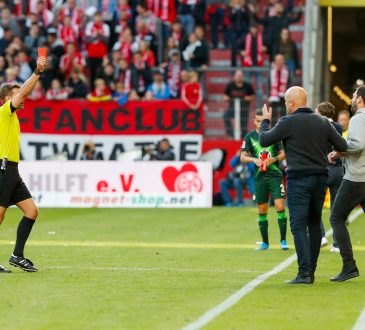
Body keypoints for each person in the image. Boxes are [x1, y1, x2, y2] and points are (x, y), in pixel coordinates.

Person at [259, 86, 347, 284]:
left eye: (285, 102)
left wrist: (265, 121)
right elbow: (342, 145)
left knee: (298, 224)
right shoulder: (323, 122)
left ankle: (305, 273)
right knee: (314, 223)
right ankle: (310, 270)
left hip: (299, 178)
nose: (285, 105)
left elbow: (264, 140)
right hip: (320, 178)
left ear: (292, 102)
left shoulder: (288, 122)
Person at [0, 54, 47, 273]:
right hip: (2, 169)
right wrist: (37, 71)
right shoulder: (5, 112)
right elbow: (26, 90)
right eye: (16, 93)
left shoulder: (12, 117)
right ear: (7, 98)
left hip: (12, 170)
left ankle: (17, 255)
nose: (22, 96)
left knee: (31, 211)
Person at [327, 85, 365, 282]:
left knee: (336, 218)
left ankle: (349, 265)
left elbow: (357, 145)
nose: (351, 99)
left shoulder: (359, 118)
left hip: (357, 177)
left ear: (359, 99)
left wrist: (338, 151)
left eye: (353, 96)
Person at [241, 109, 288, 250]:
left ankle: (283, 241)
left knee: (280, 206)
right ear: (254, 121)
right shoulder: (249, 137)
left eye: (262, 120)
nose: (259, 123)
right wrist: (253, 159)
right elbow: (242, 157)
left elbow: (284, 153)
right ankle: (265, 243)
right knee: (262, 209)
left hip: (275, 176)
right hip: (259, 178)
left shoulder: (274, 134)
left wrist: (273, 159)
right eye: (257, 120)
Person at [315, 102, 344, 252]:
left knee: (315, 204)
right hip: (338, 169)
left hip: (323, 169)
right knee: (336, 207)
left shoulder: (318, 126)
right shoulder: (339, 127)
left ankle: (320, 236)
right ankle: (337, 244)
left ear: (320, 112)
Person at [223, 70, 255, 138]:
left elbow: (253, 96)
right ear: (234, 77)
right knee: (226, 116)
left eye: (240, 76)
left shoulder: (247, 86)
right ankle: (231, 133)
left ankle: (242, 139)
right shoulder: (230, 85)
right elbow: (225, 96)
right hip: (232, 109)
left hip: (244, 110)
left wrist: (249, 98)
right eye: (238, 76)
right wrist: (227, 98)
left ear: (243, 77)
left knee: (243, 127)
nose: (239, 77)